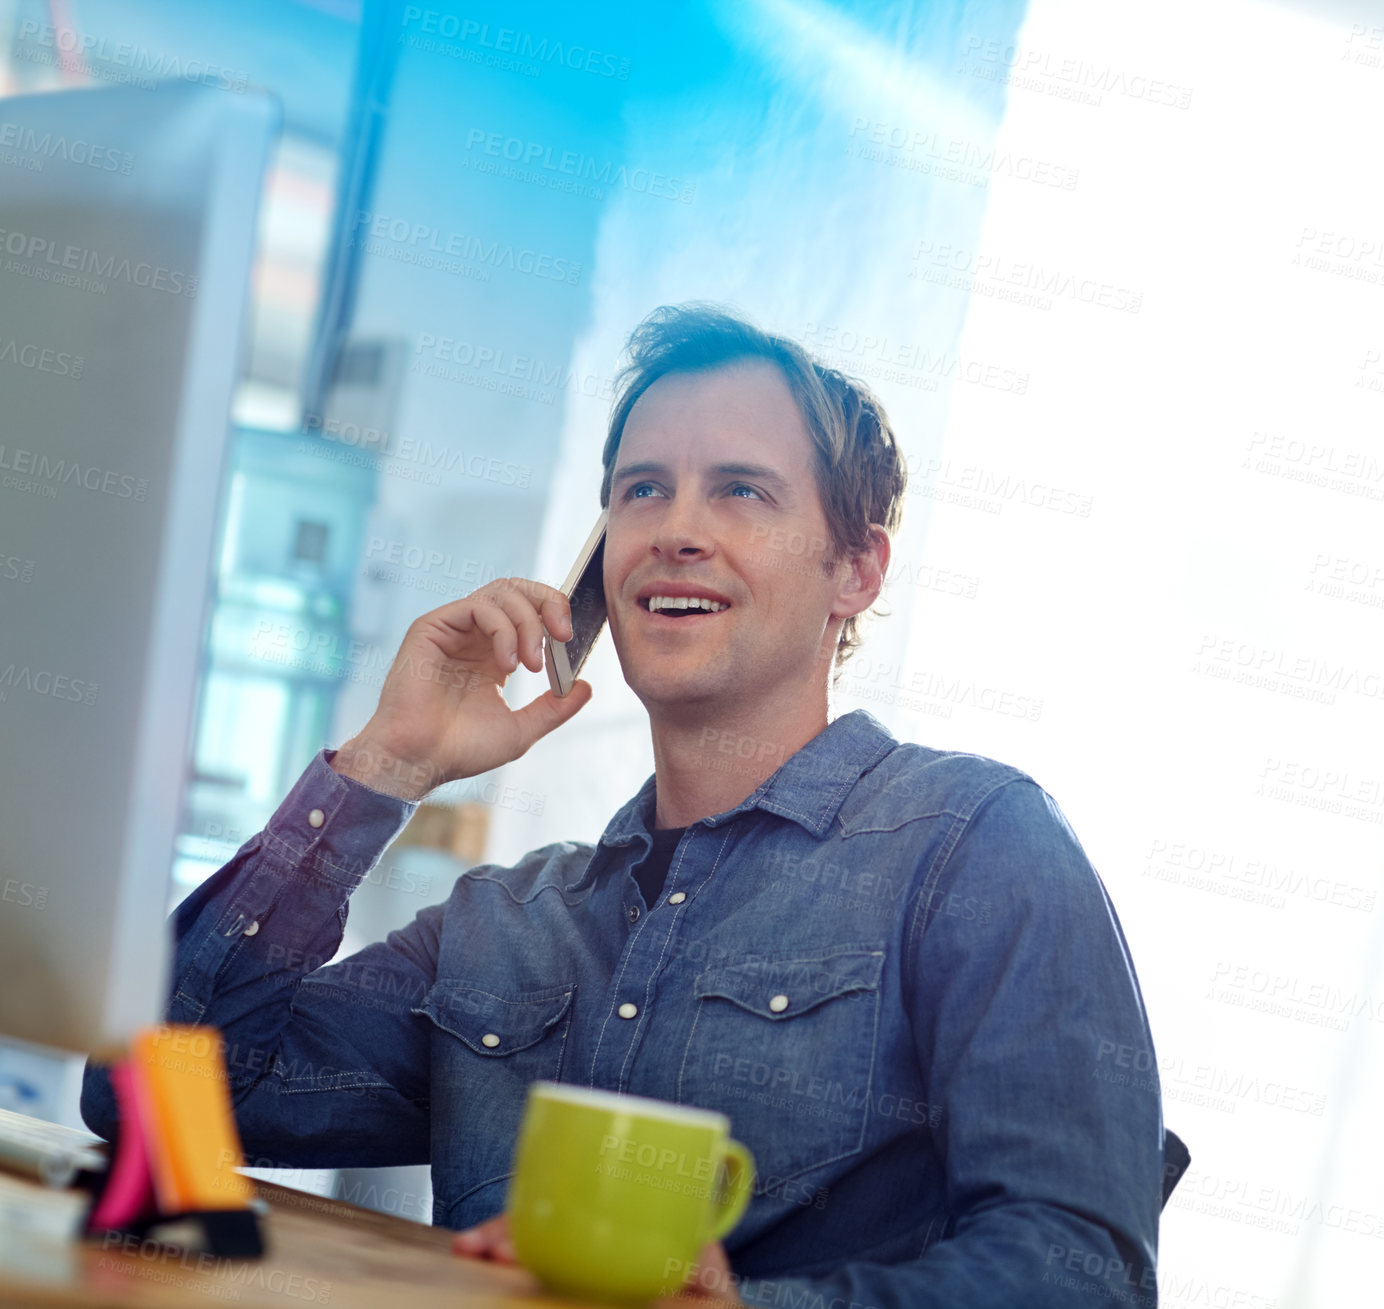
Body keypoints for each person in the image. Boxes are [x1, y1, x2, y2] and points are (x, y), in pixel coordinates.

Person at [83, 303, 1163, 1308]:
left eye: (742, 489)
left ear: (856, 570)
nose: (674, 529)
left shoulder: (978, 849)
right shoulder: (509, 923)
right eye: (643, 489)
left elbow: (1084, 1273)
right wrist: (385, 764)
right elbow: (151, 1095)